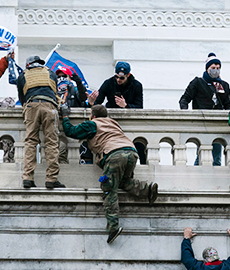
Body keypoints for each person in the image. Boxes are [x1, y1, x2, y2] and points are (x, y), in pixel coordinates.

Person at [60, 104, 159, 243]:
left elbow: (71, 131)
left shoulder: (92, 124)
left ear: (93, 115)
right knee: (122, 182)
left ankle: (113, 227)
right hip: (131, 152)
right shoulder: (114, 123)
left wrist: (65, 116)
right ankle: (148, 190)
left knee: (109, 189)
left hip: (114, 155)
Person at [16, 55, 63, 189]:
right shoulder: (51, 73)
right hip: (49, 106)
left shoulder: (23, 75)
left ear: (28, 65)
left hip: (32, 105)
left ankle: (28, 178)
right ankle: (51, 179)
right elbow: (55, 92)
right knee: (52, 142)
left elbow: (22, 97)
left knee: (31, 141)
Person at [180, 54, 230, 166]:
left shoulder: (223, 85)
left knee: (217, 155)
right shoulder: (198, 82)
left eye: (218, 68)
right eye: (213, 68)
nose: (216, 70)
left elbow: (228, 103)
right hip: (202, 122)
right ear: (207, 68)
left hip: (218, 124)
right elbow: (185, 99)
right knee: (202, 153)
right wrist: (185, 114)